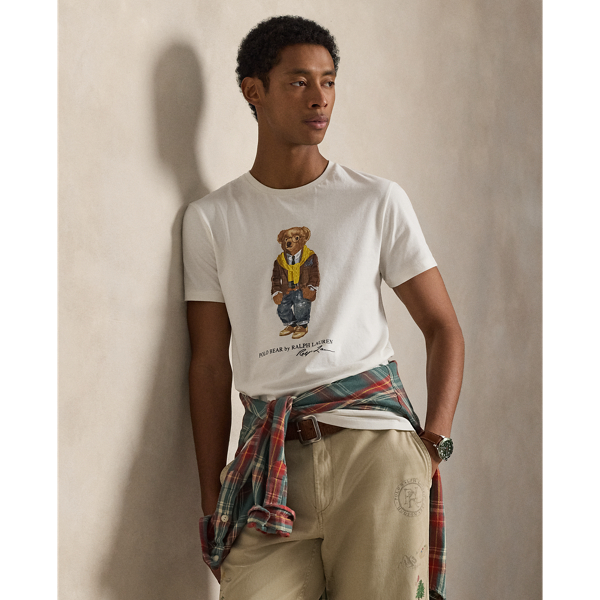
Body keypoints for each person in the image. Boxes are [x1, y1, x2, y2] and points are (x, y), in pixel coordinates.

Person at [182, 15, 464, 600]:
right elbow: (209, 364)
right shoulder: (211, 220)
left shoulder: (375, 201)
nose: (320, 98)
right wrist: (213, 497)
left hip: (374, 454)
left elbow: (443, 327)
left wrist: (431, 445)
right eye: (299, 81)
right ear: (253, 91)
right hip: (269, 467)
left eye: (329, 81)